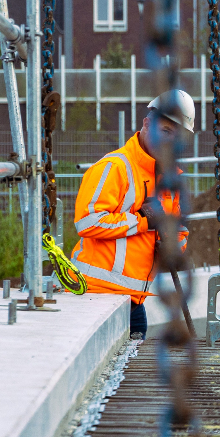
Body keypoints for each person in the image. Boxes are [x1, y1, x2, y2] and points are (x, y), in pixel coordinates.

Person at [70, 89, 193, 338]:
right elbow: (87, 222)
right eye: (165, 131)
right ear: (147, 124)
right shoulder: (114, 168)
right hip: (93, 296)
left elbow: (180, 230)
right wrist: (143, 221)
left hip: (134, 301)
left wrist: (174, 247)